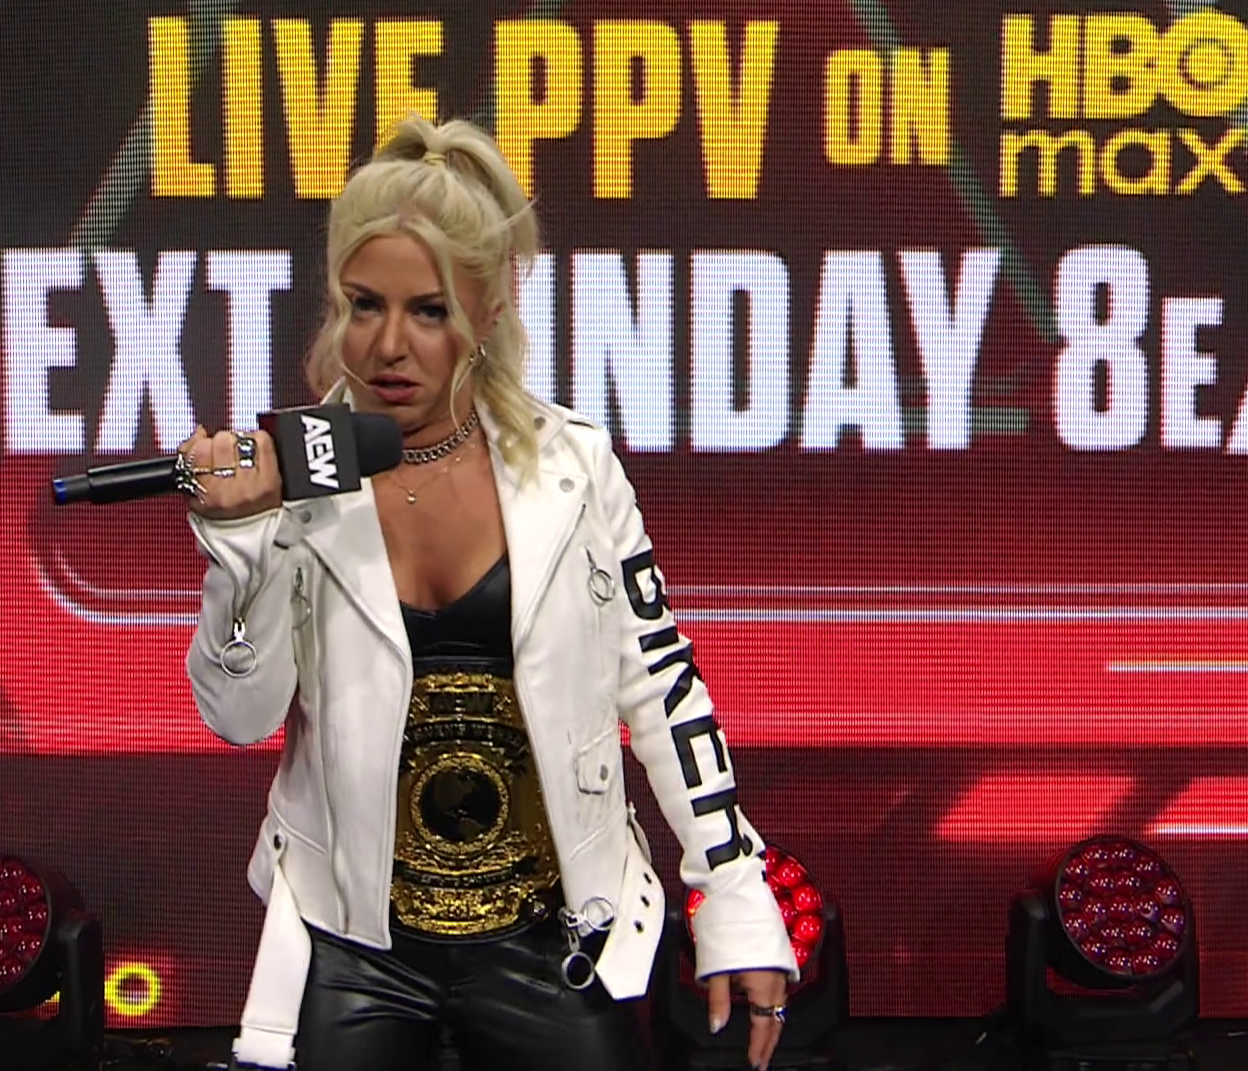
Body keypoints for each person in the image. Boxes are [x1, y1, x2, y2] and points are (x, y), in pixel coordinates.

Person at [178, 114, 795, 1071]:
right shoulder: (292, 480)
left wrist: (736, 897)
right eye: (363, 305)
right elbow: (238, 716)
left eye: (428, 312)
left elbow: (663, 688)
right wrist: (240, 546)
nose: (388, 345)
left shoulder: (573, 468)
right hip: (352, 942)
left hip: (551, 935)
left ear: (491, 309)